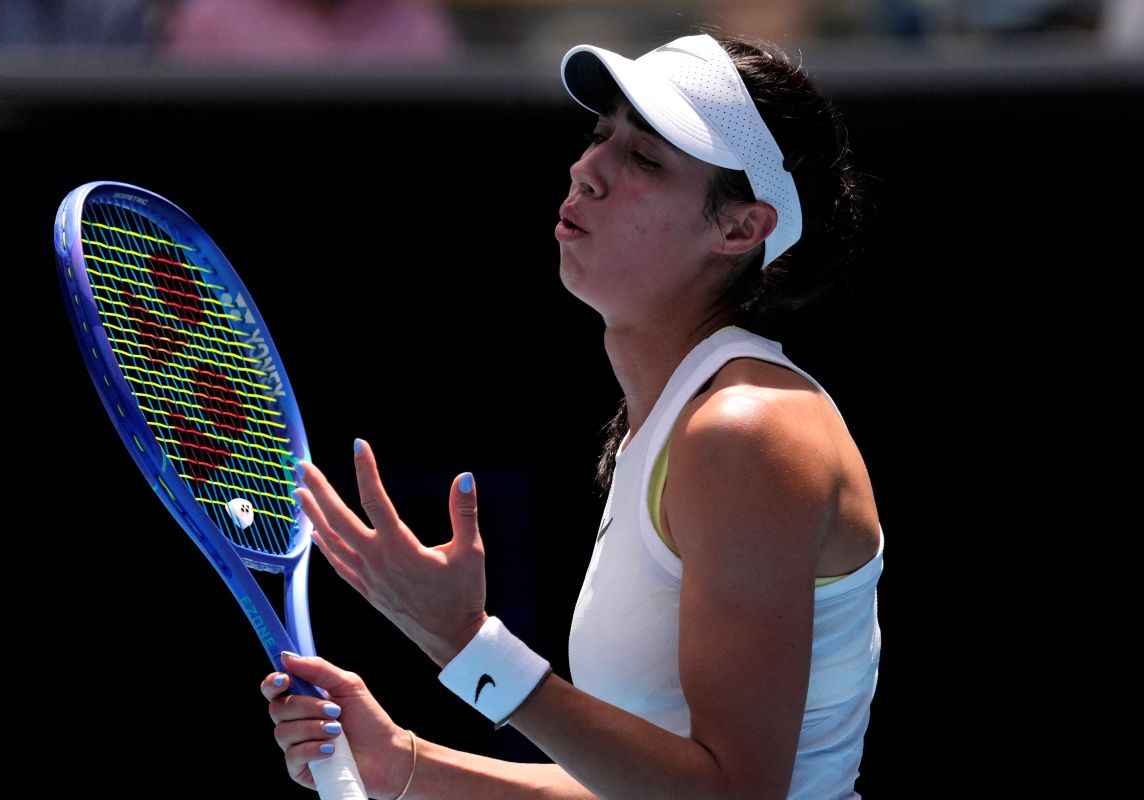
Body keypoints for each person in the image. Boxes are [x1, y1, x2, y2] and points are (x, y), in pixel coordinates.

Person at [262, 25, 883, 800]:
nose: (586, 170)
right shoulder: (665, 429)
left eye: (645, 159)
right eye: (599, 137)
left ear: (739, 227)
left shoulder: (746, 432)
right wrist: (407, 765)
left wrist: (465, 645)